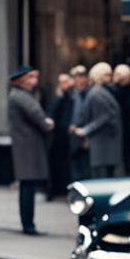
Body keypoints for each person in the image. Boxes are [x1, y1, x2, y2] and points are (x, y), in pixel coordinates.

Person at [7, 66, 54, 235]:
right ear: (22, 80)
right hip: (28, 148)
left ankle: (28, 223)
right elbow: (39, 117)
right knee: (28, 187)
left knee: (28, 187)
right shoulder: (22, 97)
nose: (34, 81)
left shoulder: (19, 95)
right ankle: (28, 225)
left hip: (26, 147)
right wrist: (49, 123)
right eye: (31, 77)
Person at [72, 61, 124, 178]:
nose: (109, 77)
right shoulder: (97, 93)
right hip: (102, 143)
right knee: (102, 177)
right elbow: (103, 117)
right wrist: (86, 130)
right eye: (107, 75)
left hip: (105, 142)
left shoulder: (101, 91)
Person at [45, 72, 75, 200]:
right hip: (57, 137)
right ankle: (54, 190)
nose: (63, 85)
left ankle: (62, 189)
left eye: (65, 82)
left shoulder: (70, 96)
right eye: (61, 82)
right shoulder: (59, 96)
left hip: (66, 137)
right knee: (55, 165)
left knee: (65, 165)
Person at [67, 64, 91, 182]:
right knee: (74, 165)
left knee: (85, 166)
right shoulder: (69, 94)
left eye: (83, 77)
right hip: (72, 134)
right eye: (77, 77)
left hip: (85, 133)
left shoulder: (89, 93)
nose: (80, 80)